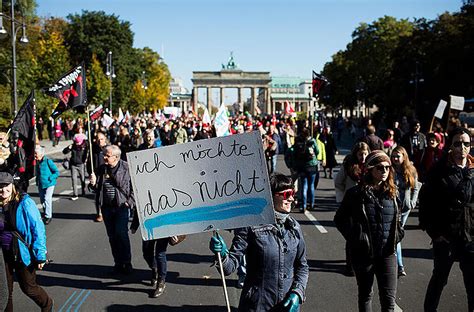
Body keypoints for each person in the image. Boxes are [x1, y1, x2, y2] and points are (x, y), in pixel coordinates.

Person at [209, 173, 309, 312]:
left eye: (292, 193)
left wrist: (297, 293)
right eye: (287, 194)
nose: (291, 198)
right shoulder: (250, 226)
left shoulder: (294, 227)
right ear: (271, 196)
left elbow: (302, 266)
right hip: (256, 306)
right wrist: (222, 254)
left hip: (287, 307)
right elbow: (229, 268)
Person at [334, 150, 403, 311]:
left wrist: (398, 234)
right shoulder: (356, 194)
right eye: (380, 167)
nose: (384, 171)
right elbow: (340, 219)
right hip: (364, 254)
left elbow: (397, 220)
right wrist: (356, 237)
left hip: (387, 254)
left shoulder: (393, 193)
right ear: (370, 169)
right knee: (366, 295)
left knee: (389, 301)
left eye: (387, 167)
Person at [418, 127, 474, 312]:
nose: (462, 148)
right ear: (450, 145)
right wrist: (434, 233)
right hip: (446, 236)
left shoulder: (473, 170)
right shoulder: (439, 170)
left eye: (466, 143)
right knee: (440, 279)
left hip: (470, 238)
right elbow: (425, 203)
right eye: (458, 143)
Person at [0, 171, 53, 312]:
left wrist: (40, 255)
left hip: (22, 253)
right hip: (2, 255)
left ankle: (47, 305)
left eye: (6, 185)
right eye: (0, 186)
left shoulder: (24, 203)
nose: (3, 189)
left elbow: (38, 229)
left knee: (29, 288)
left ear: (12, 185)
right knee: (5, 293)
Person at [89, 145, 135, 274]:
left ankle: (127, 262)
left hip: (121, 207)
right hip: (107, 208)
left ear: (116, 157)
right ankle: (118, 262)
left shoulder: (126, 167)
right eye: (104, 155)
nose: (104, 157)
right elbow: (96, 188)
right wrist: (92, 183)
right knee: (112, 236)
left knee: (121, 234)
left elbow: (134, 188)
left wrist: (129, 203)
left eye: (107, 156)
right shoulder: (102, 169)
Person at [334, 142, 370, 276]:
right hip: (351, 205)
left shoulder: (370, 165)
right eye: (361, 154)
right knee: (352, 236)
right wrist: (346, 197)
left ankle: (363, 261)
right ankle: (350, 266)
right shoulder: (349, 165)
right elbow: (338, 182)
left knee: (365, 235)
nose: (363, 157)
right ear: (356, 154)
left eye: (365, 154)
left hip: (366, 204)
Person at [390, 146, 421, 277]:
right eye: (393, 156)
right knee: (395, 235)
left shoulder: (411, 170)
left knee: (396, 235)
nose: (395, 158)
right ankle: (399, 266)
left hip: (405, 208)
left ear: (404, 157)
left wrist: (413, 202)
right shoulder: (389, 170)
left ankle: (398, 265)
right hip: (392, 207)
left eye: (398, 156)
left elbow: (416, 186)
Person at [292, 128, 319, 212]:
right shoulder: (312, 141)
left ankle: (303, 205)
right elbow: (317, 151)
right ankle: (311, 203)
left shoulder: (299, 141)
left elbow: (294, 152)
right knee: (311, 185)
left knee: (304, 185)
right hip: (312, 166)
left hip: (302, 166)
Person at [35, 146, 59, 225]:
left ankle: (48, 216)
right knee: (42, 200)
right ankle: (46, 214)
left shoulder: (48, 161)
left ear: (41, 154)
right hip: (41, 184)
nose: (35, 156)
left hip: (49, 184)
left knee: (47, 199)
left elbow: (56, 172)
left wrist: (50, 178)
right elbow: (38, 172)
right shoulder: (38, 162)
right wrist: (37, 180)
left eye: (36, 154)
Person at [63, 129, 88, 201]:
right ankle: (75, 194)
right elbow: (64, 152)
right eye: (76, 142)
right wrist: (68, 148)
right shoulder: (72, 146)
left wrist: (85, 160)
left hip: (81, 164)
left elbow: (86, 154)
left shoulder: (84, 146)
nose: (77, 144)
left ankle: (83, 190)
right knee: (74, 179)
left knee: (82, 178)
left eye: (78, 142)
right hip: (73, 164)